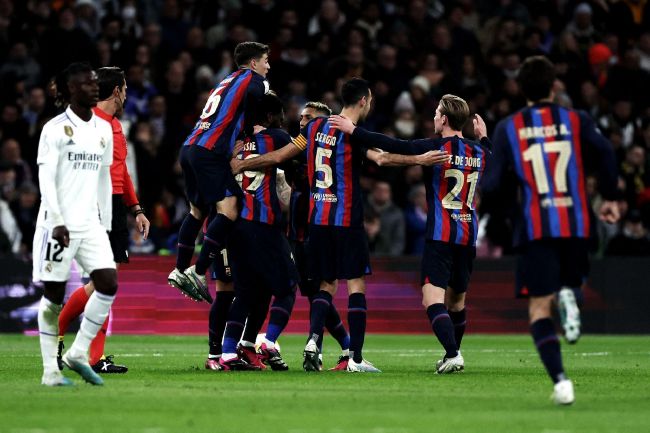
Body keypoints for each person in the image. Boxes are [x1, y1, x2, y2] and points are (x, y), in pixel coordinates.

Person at [231, 78, 447, 372]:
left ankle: (312, 342)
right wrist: (419, 159)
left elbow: (281, 157)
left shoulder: (312, 130)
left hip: (317, 221)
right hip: (346, 219)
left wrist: (243, 163)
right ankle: (354, 358)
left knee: (325, 285)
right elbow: (383, 158)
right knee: (355, 285)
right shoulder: (352, 133)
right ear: (364, 100)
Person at [483, 56, 620, 405]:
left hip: (536, 227)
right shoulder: (576, 120)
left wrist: (502, 206)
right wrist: (611, 197)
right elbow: (606, 152)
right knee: (569, 282)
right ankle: (571, 291)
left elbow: (495, 185)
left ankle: (561, 382)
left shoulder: (508, 128)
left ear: (520, 88)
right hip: (575, 223)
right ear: (553, 87)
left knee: (538, 310)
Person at [330, 94, 489, 375]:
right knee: (458, 302)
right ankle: (453, 353)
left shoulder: (435, 147)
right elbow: (494, 158)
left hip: (441, 236)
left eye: (437, 113)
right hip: (467, 235)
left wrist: (353, 130)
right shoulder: (479, 152)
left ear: (444, 119)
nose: (434, 118)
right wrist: (484, 138)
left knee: (432, 301)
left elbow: (395, 145)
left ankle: (453, 354)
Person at [56, 66, 150, 375]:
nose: (126, 94)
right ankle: (85, 351)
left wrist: (136, 209)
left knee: (102, 284)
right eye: (124, 88)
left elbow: (121, 172)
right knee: (103, 283)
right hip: (93, 205)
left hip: (113, 207)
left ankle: (65, 335)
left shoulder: (115, 127)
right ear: (116, 91)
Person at [33, 62, 116, 386]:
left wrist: (105, 223)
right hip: (59, 226)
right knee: (53, 298)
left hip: (90, 225)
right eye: (85, 83)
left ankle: (78, 352)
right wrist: (55, 219)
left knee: (108, 283)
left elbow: (103, 180)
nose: (93, 87)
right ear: (69, 90)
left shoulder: (103, 128)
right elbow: (46, 177)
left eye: (95, 82)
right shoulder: (54, 129)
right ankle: (50, 372)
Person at [168, 41, 271, 303]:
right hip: (210, 152)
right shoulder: (252, 79)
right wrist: (255, 128)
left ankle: (180, 269)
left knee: (197, 211)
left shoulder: (227, 80)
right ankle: (199, 271)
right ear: (253, 63)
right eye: (265, 61)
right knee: (230, 208)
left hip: (191, 146)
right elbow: (257, 103)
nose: (268, 66)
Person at [218, 92, 299, 371]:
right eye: (280, 115)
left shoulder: (235, 145)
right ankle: (269, 341)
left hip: (234, 225)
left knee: (249, 292)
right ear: (269, 116)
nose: (283, 121)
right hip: (262, 225)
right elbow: (296, 160)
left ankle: (231, 352)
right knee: (288, 287)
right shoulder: (276, 137)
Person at [288, 101, 351, 371]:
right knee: (318, 295)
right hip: (299, 234)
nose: (303, 122)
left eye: (309, 118)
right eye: (302, 117)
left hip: (316, 230)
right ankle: (344, 347)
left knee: (320, 293)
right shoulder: (307, 148)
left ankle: (324, 348)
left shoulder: (307, 148)